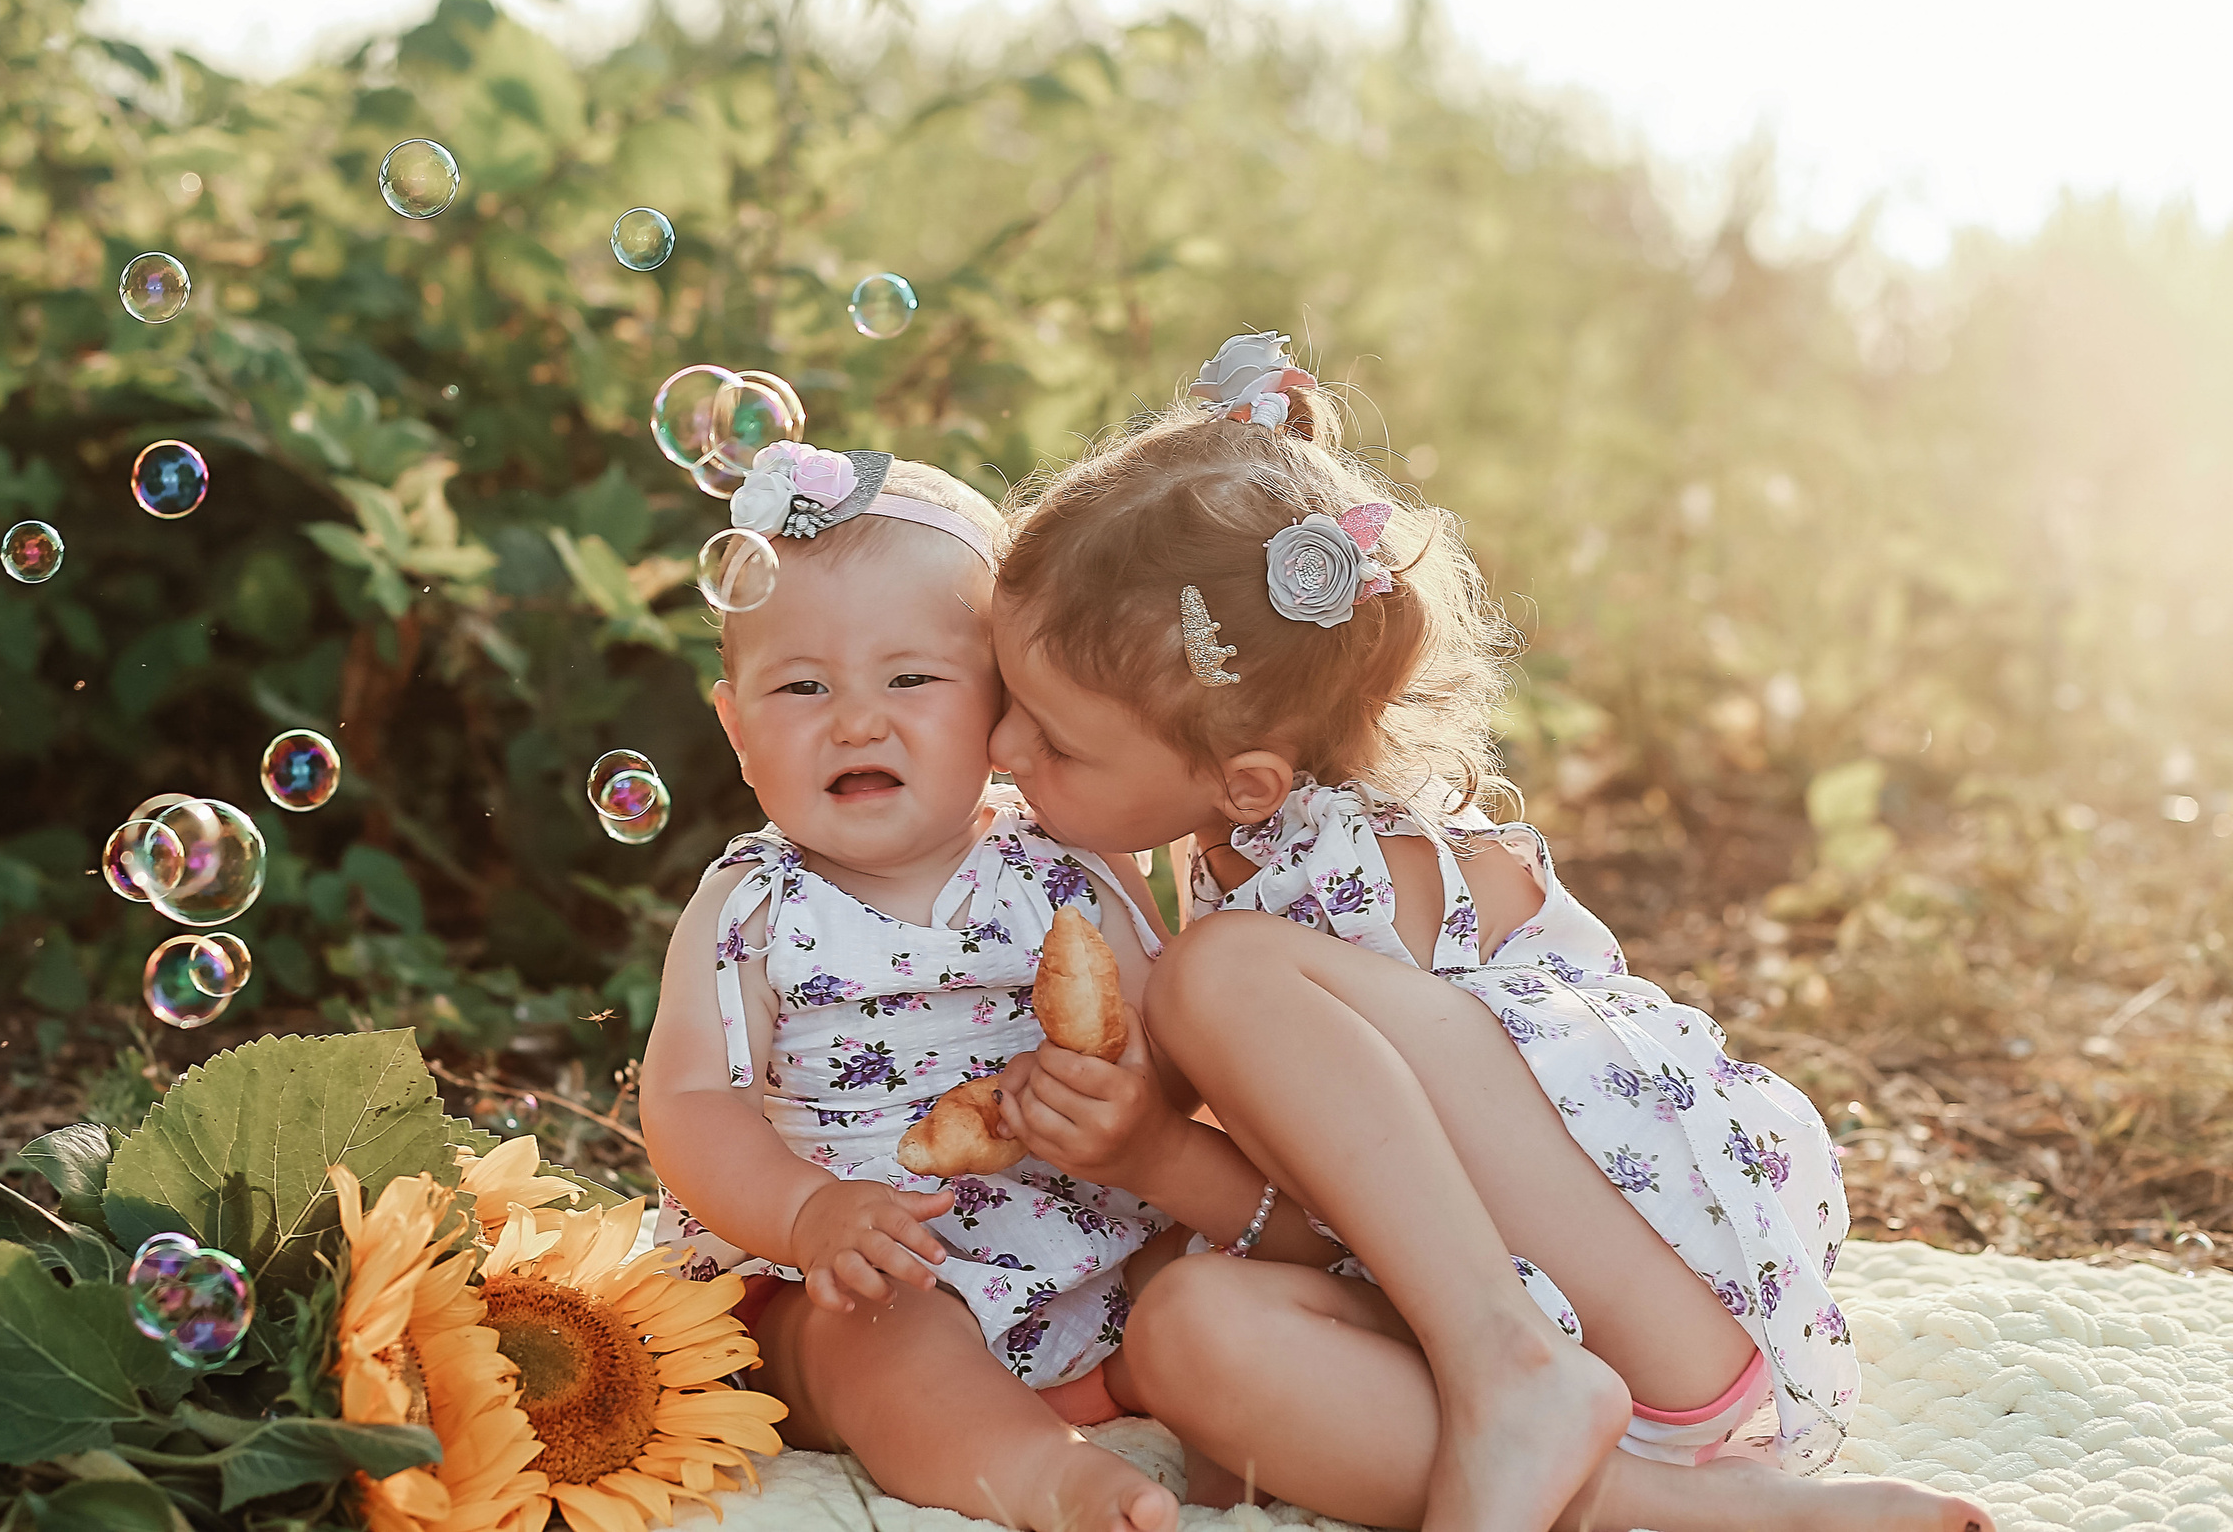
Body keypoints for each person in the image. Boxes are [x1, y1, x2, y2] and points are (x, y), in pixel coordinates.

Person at [982, 333, 1997, 1532]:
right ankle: (1706, 1514)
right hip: (1589, 1359)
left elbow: (1383, 1190)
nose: (1004, 751)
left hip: (1655, 1309)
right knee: (1189, 1334)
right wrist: (1151, 1156)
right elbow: (1343, 1224)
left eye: (1054, 738)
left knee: (1215, 976)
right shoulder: (1245, 863)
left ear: (1248, 780)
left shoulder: (1352, 880)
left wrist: (1170, 1089)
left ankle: (1508, 1374)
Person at [639, 442, 1324, 1532]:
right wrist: (809, 1212)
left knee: (1198, 1284)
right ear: (734, 728)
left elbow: (1164, 1044)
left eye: (911, 679)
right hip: (856, 1262)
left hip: (1084, 1241)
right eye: (802, 686)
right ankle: (1042, 1474)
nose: (857, 720)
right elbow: (688, 1103)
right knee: (869, 1335)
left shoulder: (1064, 870)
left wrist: (1130, 1103)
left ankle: (1194, 1409)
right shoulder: (753, 907)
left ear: (1005, 711)